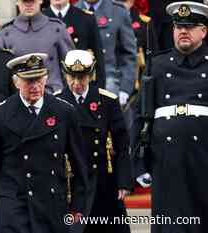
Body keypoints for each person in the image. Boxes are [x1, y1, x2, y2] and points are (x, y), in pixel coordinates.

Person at [0, 53, 89, 233]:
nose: (35, 86)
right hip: (14, 203)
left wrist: (78, 204)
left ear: (46, 78)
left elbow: (79, 162)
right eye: (28, 81)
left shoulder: (64, 112)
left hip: (50, 201)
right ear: (16, 82)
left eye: (39, 80)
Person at [133, 2, 208, 233]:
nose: (183, 31)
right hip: (166, 162)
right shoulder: (157, 64)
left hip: (203, 161)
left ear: (203, 31)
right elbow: (141, 116)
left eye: (190, 26)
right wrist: (138, 164)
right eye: (178, 26)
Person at [56, 50, 132, 233]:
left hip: (103, 179)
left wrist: (123, 180)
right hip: (70, 182)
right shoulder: (56, 102)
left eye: (81, 77)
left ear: (91, 75)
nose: (76, 83)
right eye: (72, 77)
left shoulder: (107, 101)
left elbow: (121, 144)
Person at [0, 0, 74, 93]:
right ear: (17, 2)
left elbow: (70, 68)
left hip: (53, 94)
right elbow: (1, 73)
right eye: (25, 1)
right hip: (20, 97)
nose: (29, 5)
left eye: (32, 1)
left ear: (40, 1)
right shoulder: (6, 33)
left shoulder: (57, 29)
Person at [74, 0, 137, 108]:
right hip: (77, 78)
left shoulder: (118, 11)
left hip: (110, 76)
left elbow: (128, 54)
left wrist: (125, 89)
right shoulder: (73, 10)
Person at [43, 0, 106, 89]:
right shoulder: (40, 19)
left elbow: (98, 57)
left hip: (79, 84)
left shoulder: (86, 18)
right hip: (48, 86)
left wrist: (98, 89)